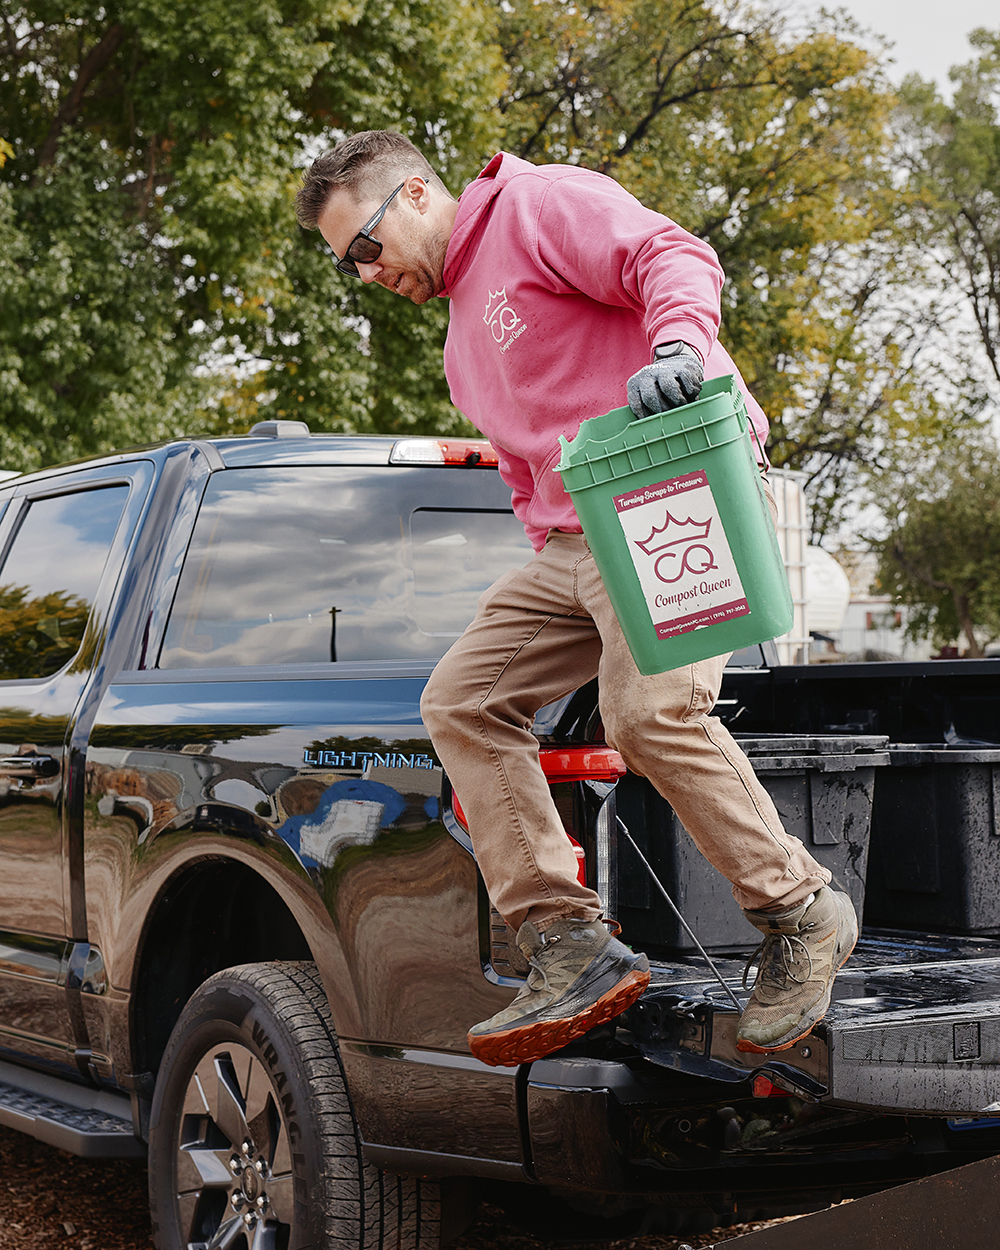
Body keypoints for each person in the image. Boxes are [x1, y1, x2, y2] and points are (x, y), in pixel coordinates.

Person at [294, 130, 858, 1068]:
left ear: (420, 196)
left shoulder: (536, 204)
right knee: (462, 702)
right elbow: (522, 474)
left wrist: (679, 344)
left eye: (364, 247)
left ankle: (803, 911)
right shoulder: (459, 347)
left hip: (673, 486)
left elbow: (669, 254)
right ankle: (569, 941)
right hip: (575, 536)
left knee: (649, 713)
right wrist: (555, 550)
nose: (364, 273)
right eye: (347, 263)